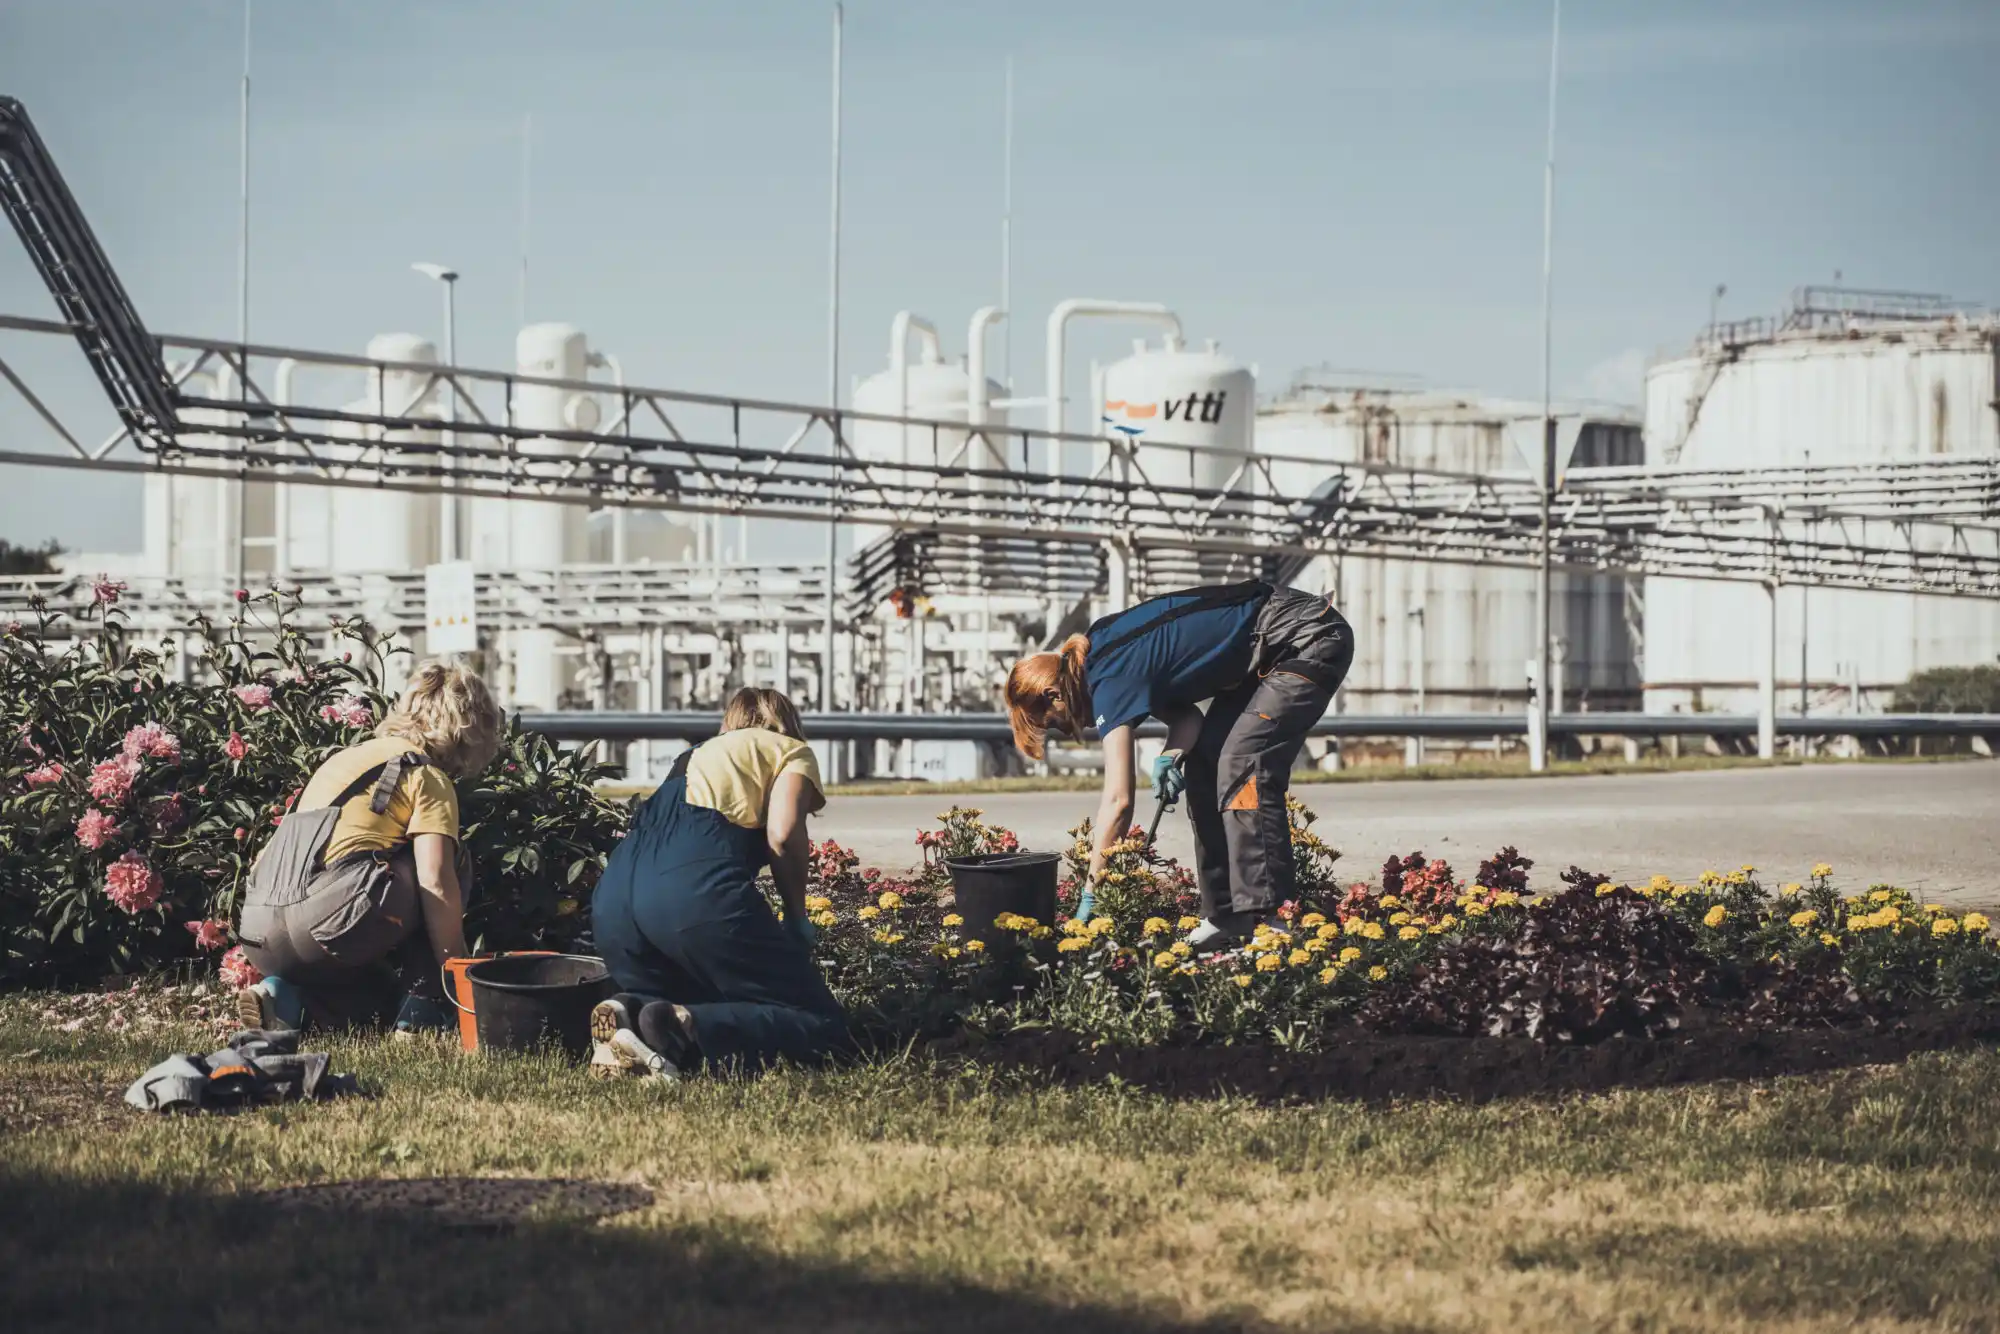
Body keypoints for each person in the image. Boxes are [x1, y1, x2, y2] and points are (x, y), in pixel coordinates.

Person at [1004, 580, 1354, 951]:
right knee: (1203, 762)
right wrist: (1171, 755)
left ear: (1054, 694)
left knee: (1241, 763)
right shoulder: (1099, 656)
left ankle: (1273, 921)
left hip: (1306, 635)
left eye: (1056, 722)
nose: (1072, 728)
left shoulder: (1107, 679)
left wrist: (1092, 893)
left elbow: (1119, 801)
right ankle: (1225, 917)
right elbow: (1186, 720)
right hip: (1268, 651)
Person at [588, 686, 849, 1080]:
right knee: (825, 1026)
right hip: (689, 893)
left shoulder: (691, 757)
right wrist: (796, 915)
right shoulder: (788, 750)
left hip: (615, 899)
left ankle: (630, 1011)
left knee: (694, 998)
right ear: (787, 723)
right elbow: (783, 832)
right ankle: (683, 1023)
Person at [235, 662, 503, 1035]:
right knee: (449, 860)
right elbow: (436, 882)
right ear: (469, 731)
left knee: (375, 999)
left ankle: (282, 998)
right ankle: (425, 1008)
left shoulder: (343, 760)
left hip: (258, 931)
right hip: (328, 921)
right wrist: (454, 974)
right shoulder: (425, 774)